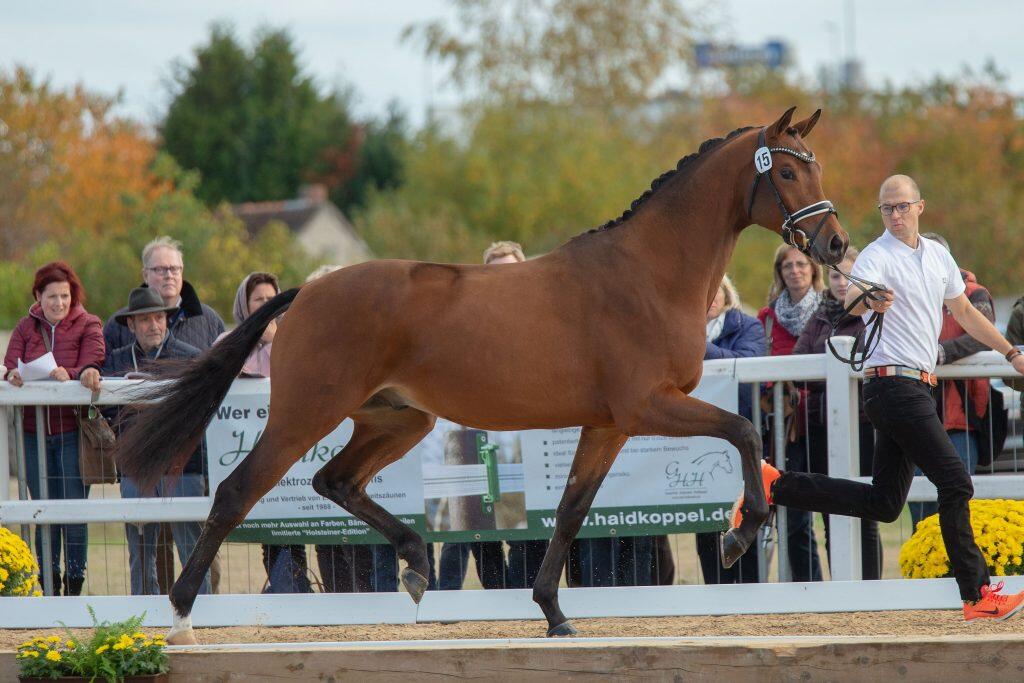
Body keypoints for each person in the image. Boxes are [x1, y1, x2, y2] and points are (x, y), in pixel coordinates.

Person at [735, 175, 1024, 620]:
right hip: (893, 388)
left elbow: (964, 311)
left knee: (885, 504)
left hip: (916, 388)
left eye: (902, 207)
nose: (894, 215)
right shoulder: (876, 255)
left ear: (920, 207)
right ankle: (977, 595)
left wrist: (1009, 352)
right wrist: (868, 299)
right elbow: (852, 295)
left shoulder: (938, 256)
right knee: (956, 483)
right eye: (886, 209)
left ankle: (776, 484)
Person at [103, 236, 226, 593]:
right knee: (141, 543)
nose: (153, 325)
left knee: (193, 540)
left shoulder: (190, 354)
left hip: (184, 461)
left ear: (166, 320)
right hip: (137, 461)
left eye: (158, 318)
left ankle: (200, 607)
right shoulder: (118, 358)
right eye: (144, 319)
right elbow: (107, 403)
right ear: (131, 324)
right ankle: (142, 608)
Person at [437, 240, 550, 589]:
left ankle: (522, 608)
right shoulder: (464, 323)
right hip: (477, 450)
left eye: (513, 270)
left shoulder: (546, 320)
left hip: (528, 452)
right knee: (483, 548)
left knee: (529, 547)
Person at [3, 261, 104, 595]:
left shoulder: (88, 323)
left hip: (71, 432)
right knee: (41, 509)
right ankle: (47, 583)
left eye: (64, 296)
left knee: (73, 509)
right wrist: (12, 376)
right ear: (38, 296)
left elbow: (94, 359)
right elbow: (9, 365)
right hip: (33, 434)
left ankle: (74, 585)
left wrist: (71, 373)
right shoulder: (25, 328)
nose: (59, 303)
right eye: (51, 297)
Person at [791, 246, 882, 580]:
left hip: (863, 424)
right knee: (831, 512)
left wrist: (828, 379)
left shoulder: (872, 315)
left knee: (866, 512)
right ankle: (841, 586)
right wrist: (827, 381)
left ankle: (870, 586)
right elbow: (799, 366)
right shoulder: (821, 318)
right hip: (822, 425)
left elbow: (869, 360)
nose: (842, 283)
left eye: (849, 276)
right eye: (834, 276)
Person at [909, 233, 996, 528]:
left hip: (961, 416)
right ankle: (923, 573)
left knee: (957, 505)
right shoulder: (907, 293)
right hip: (917, 413)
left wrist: (942, 353)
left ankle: (958, 571)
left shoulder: (974, 294)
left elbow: (982, 336)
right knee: (920, 513)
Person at [758, 243, 825, 582]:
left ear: (814, 270)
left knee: (836, 514)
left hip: (826, 423)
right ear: (780, 273)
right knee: (796, 518)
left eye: (802, 264)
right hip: (787, 429)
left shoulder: (832, 311)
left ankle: (848, 592)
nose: (795, 271)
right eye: (788, 266)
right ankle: (808, 588)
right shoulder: (767, 319)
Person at [693, 275, 766, 585]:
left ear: (726, 293)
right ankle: (715, 591)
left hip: (740, 433)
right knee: (704, 517)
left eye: (715, 289)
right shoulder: (680, 332)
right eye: (702, 290)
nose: (710, 297)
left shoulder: (748, 326)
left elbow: (750, 362)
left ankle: (750, 590)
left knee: (743, 509)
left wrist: (701, 348)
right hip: (698, 437)